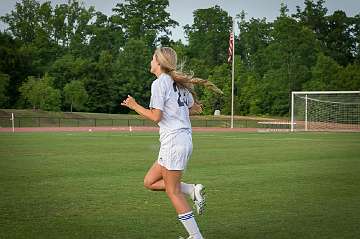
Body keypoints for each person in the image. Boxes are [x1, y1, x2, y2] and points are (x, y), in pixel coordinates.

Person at [121, 47, 222, 239]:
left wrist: (134, 106)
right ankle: (192, 189)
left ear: (159, 62)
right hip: (181, 141)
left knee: (173, 191)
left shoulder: (159, 84)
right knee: (149, 182)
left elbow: (156, 116)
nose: (150, 62)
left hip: (174, 142)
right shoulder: (179, 84)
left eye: (152, 58)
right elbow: (196, 109)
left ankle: (196, 236)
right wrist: (178, 110)